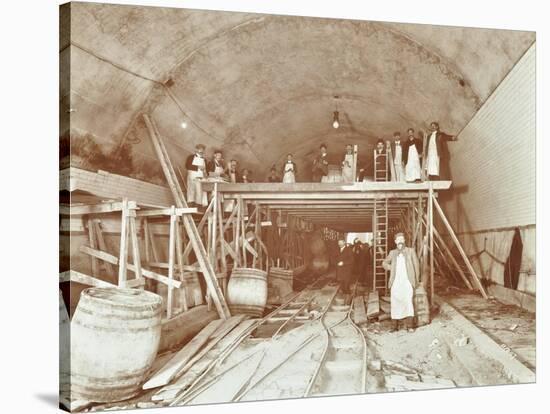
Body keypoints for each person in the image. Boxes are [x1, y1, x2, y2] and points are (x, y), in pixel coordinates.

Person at [382, 233, 420, 333]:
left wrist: (416, 281)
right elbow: (384, 263)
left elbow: (416, 266)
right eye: (398, 239)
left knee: (408, 301)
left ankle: (410, 326)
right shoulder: (392, 252)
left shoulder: (411, 251)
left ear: (404, 241)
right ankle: (394, 327)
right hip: (396, 282)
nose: (400, 241)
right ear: (395, 242)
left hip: (407, 281)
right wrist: (391, 268)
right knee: (395, 302)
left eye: (402, 239)